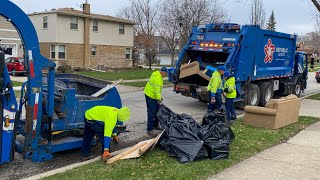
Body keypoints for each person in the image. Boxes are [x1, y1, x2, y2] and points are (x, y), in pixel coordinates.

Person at [144, 67, 167, 137]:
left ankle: (155, 125)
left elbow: (157, 90)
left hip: (151, 95)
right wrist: (159, 99)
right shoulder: (157, 78)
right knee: (151, 112)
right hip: (150, 96)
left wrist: (159, 98)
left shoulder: (157, 76)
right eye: (165, 74)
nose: (165, 75)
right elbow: (156, 90)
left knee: (157, 110)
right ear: (163, 72)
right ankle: (150, 129)